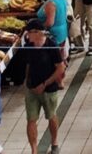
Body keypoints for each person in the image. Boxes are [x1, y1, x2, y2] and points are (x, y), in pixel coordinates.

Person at [13, 21, 66, 154]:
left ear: (37, 32)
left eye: (29, 32)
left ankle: (54, 142)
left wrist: (45, 84)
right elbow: (28, 65)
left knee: (51, 116)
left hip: (48, 90)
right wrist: (27, 81)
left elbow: (60, 68)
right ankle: (34, 150)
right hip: (32, 90)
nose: (27, 35)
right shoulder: (29, 47)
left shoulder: (51, 46)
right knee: (31, 119)